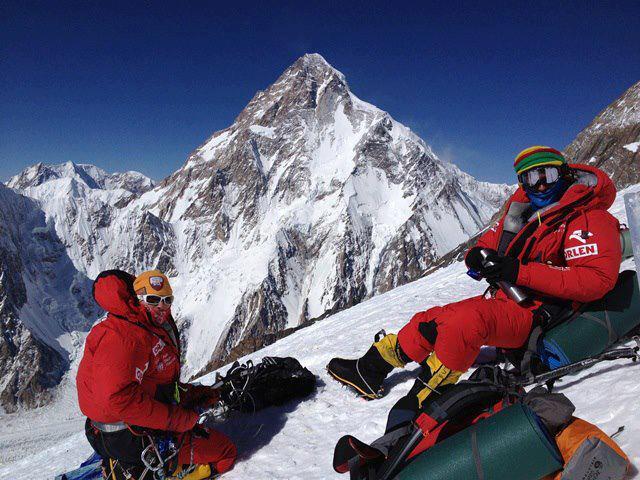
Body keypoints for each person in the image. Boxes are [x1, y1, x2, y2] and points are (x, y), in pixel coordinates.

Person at [327, 146, 622, 427]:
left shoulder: (589, 218)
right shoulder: (521, 210)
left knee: (465, 325)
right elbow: (488, 242)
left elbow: (595, 280)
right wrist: (477, 256)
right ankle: (371, 368)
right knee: (434, 319)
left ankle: (424, 404)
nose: (541, 185)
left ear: (565, 173)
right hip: (509, 300)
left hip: (541, 313)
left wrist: (518, 271)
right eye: (531, 178)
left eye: (549, 175)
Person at [76, 269, 236, 479]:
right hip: (131, 436)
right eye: (153, 300)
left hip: (120, 428)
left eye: (166, 299)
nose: (161, 306)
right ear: (138, 299)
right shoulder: (124, 337)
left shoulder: (139, 326)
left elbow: (154, 382)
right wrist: (180, 420)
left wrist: (193, 394)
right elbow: (119, 398)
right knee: (225, 453)